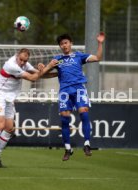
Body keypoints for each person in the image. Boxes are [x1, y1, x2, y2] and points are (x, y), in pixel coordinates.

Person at [0, 48, 56, 168]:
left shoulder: (25, 64)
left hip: (9, 98)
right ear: (16, 56)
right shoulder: (11, 65)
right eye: (21, 59)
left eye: (25, 61)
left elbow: (40, 74)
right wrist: (49, 65)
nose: (22, 63)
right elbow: (33, 78)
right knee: (0, 125)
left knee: (9, 129)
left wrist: (57, 72)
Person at [39, 32, 105, 161]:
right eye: (61, 44)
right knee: (64, 118)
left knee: (84, 112)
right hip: (64, 91)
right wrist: (46, 67)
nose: (64, 46)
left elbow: (97, 58)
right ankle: (68, 148)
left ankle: (87, 144)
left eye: (66, 43)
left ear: (71, 44)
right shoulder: (57, 59)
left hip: (79, 88)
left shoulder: (78, 56)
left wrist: (100, 43)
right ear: (60, 46)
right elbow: (43, 74)